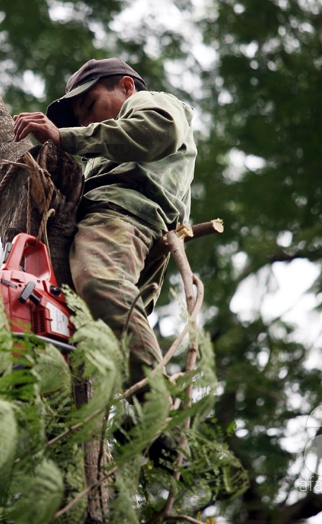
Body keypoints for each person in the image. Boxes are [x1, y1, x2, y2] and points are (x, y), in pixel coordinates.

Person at [13, 58, 197, 391]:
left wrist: (65, 137)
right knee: (106, 342)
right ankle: (143, 428)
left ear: (126, 86)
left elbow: (160, 130)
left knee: (100, 285)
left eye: (89, 105)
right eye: (78, 118)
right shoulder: (103, 148)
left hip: (123, 216)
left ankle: (155, 404)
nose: (85, 120)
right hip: (125, 232)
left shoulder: (146, 102)